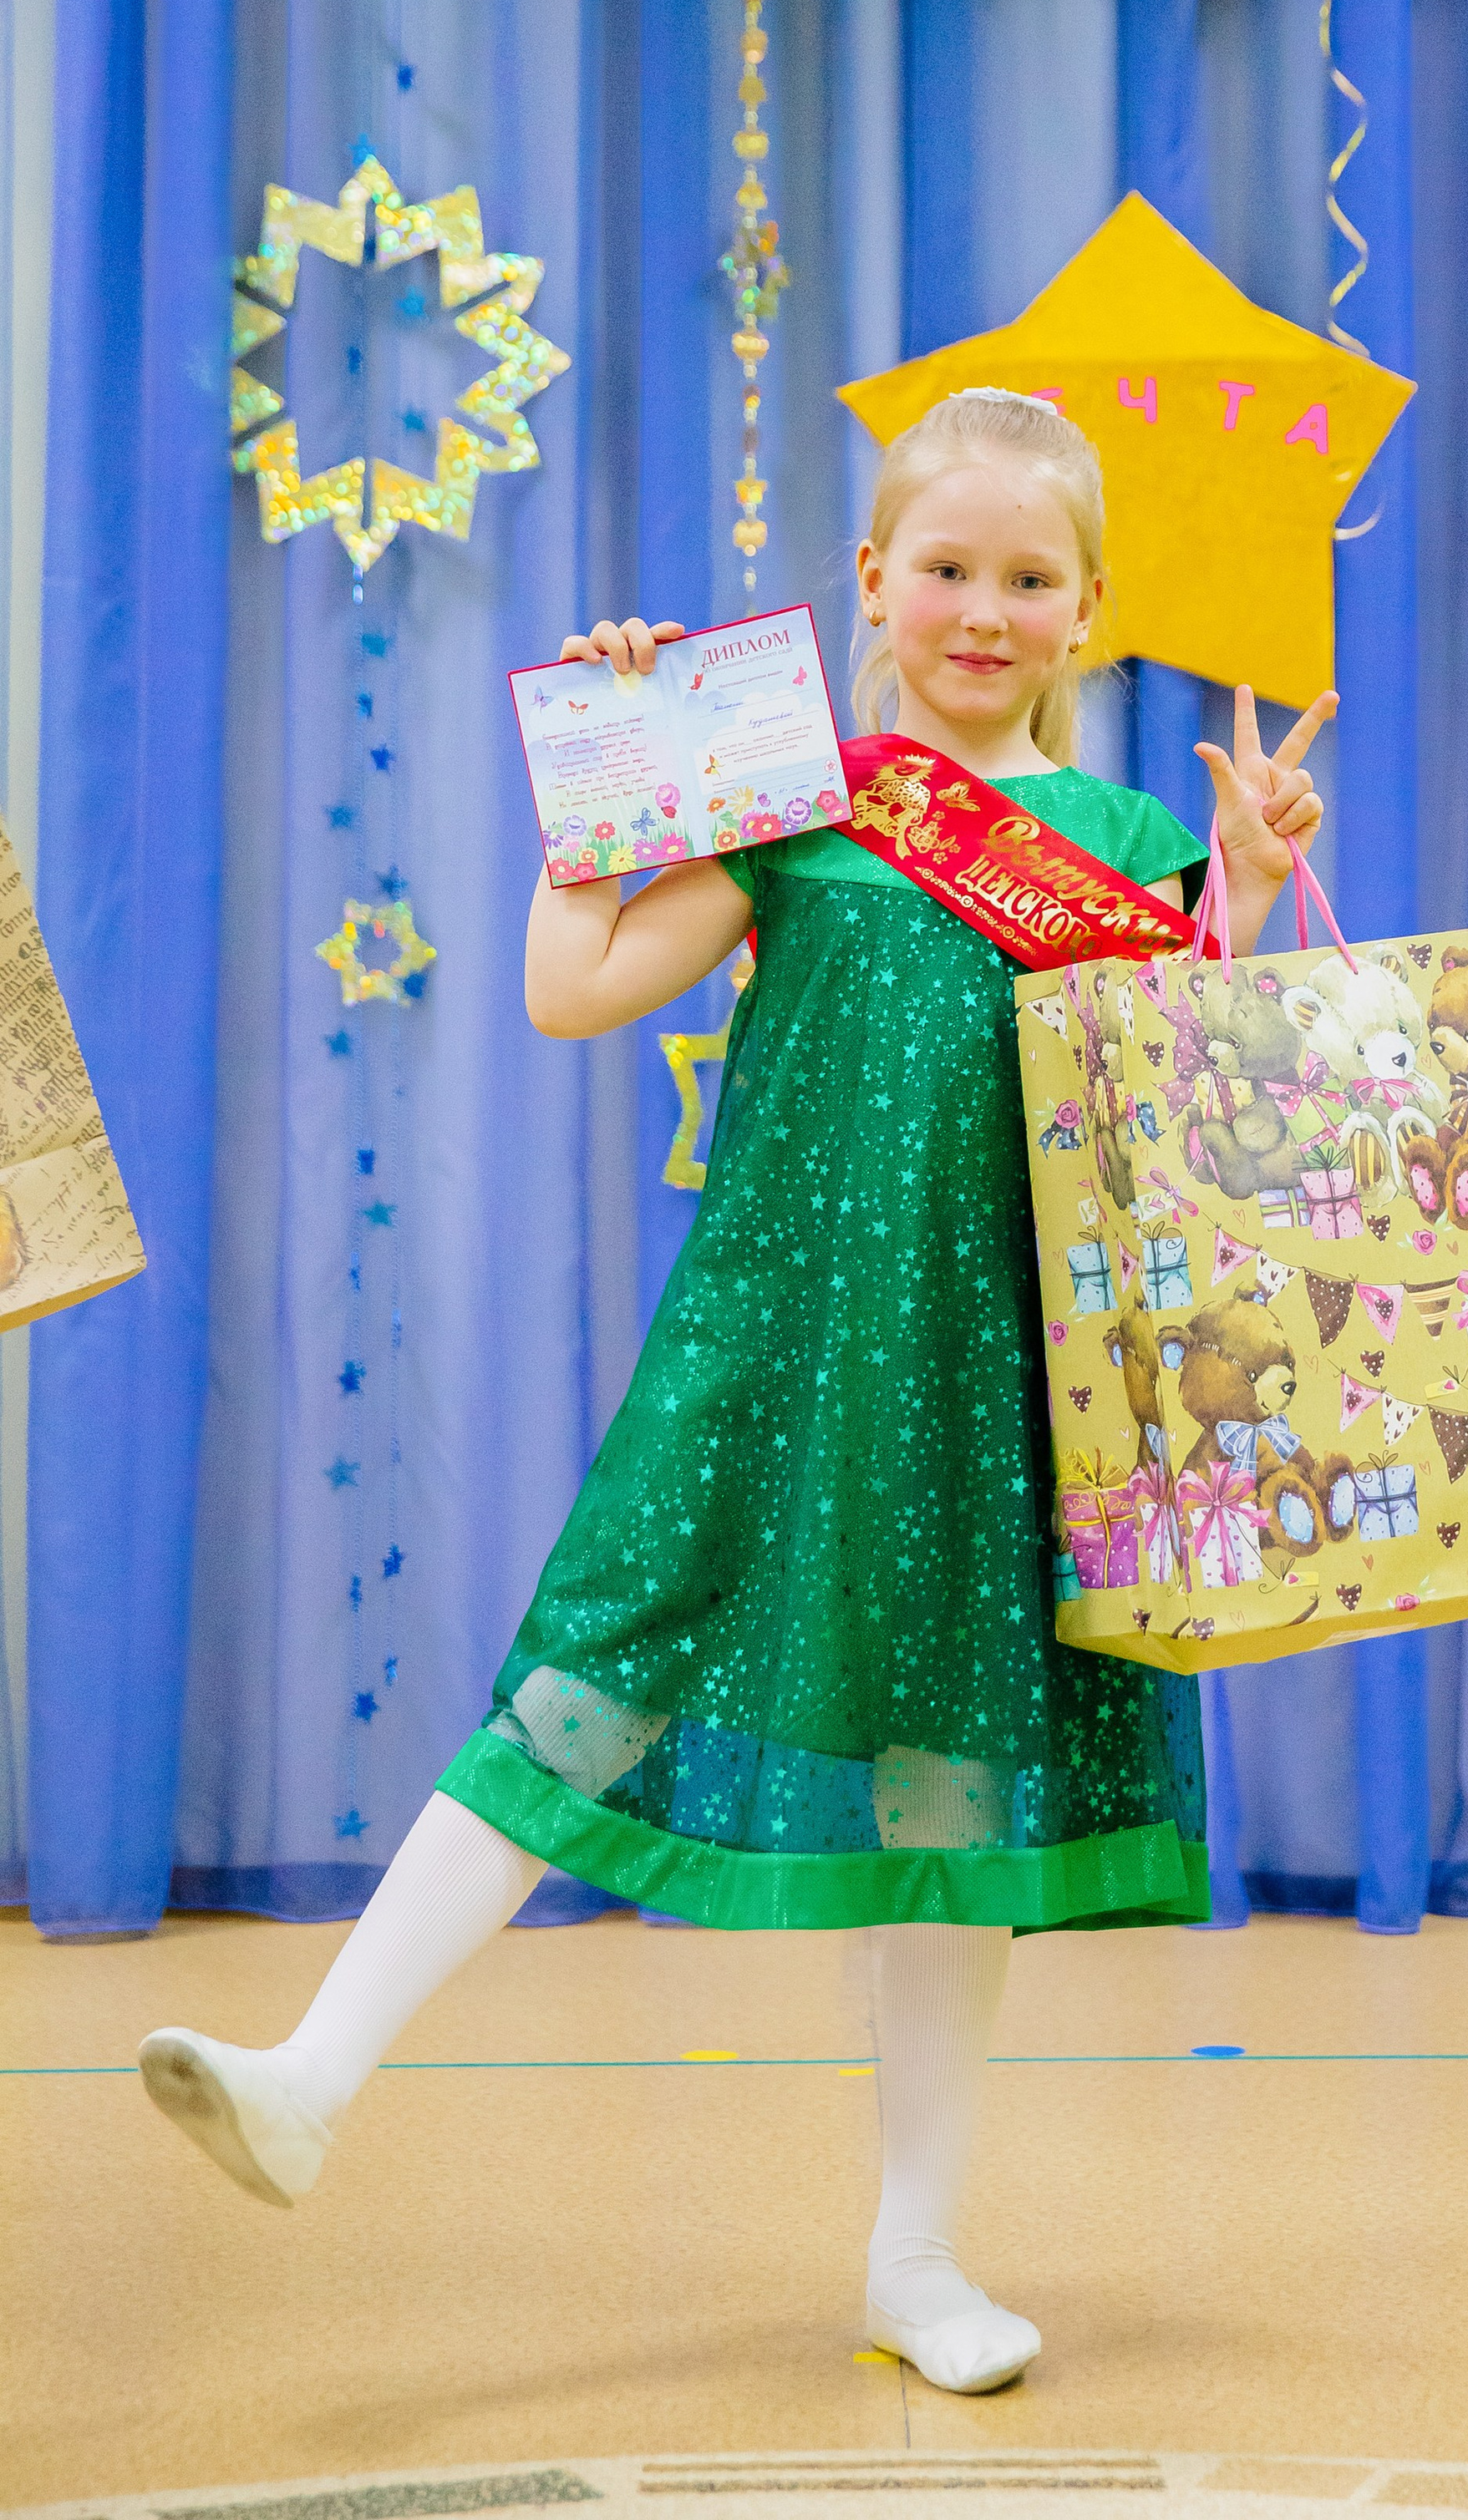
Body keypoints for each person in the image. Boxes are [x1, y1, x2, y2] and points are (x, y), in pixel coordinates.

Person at [140, 385, 1335, 2396]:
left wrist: (1236, 874)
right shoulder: (798, 796)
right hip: (771, 1349)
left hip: (1002, 1391)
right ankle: (311, 2076)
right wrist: (613, 785)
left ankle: (916, 2259)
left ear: (1093, 610)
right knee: (580, 1677)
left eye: (1026, 577)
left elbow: (1182, 1092)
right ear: (866, 585)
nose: (980, 607)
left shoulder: (1129, 844)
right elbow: (573, 983)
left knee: (952, 1800)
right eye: (942, 567)